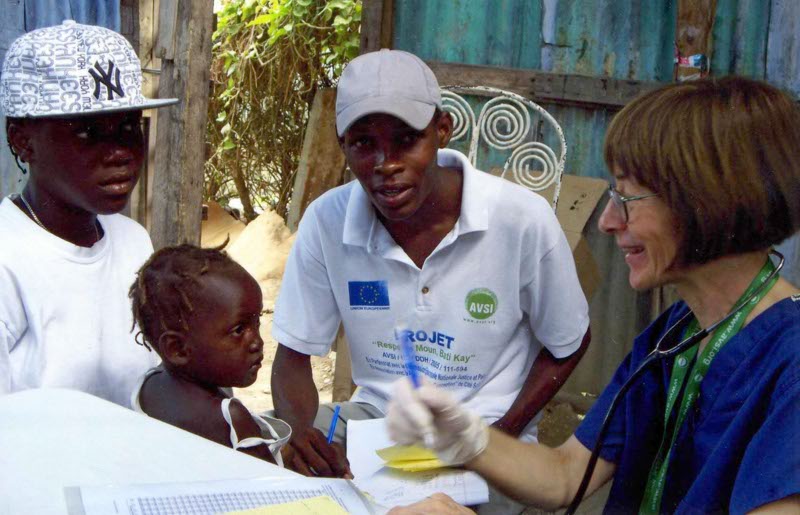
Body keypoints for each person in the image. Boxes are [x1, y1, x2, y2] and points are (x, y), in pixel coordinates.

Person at [386, 76, 800, 514]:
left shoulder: (788, 367)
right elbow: (565, 475)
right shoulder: (677, 336)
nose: (606, 221)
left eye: (626, 196)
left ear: (709, 200)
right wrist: (468, 439)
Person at [270, 49, 591, 481]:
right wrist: (299, 434)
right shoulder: (326, 221)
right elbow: (293, 356)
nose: (387, 165)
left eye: (406, 139)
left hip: (484, 429)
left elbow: (569, 342)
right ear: (341, 143)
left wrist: (500, 437)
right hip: (373, 423)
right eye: (364, 144)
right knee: (253, 451)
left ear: (442, 130)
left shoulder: (522, 221)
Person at [0, 20, 177, 406]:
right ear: (22, 140)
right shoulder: (8, 257)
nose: (121, 152)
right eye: (89, 132)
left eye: (130, 125)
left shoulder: (132, 241)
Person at [129, 244, 290, 465]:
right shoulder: (232, 419)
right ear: (177, 349)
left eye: (257, 322)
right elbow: (274, 488)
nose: (257, 342)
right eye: (239, 330)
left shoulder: (148, 388)